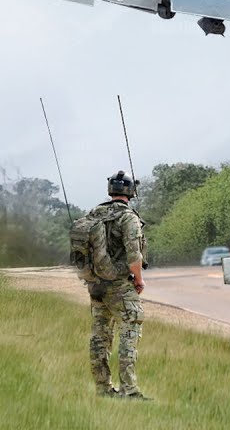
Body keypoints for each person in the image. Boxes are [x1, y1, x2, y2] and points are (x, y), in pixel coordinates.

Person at [85, 171, 149, 401]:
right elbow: (134, 254)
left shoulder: (94, 214)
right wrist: (139, 279)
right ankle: (129, 390)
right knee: (130, 328)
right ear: (130, 191)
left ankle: (102, 389)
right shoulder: (128, 217)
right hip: (120, 285)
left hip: (96, 285)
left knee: (100, 336)